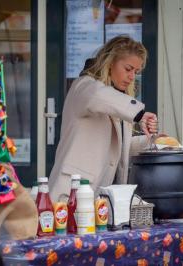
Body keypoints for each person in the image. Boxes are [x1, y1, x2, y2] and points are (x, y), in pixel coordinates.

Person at [49, 35, 158, 201]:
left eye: (136, 72)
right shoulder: (84, 86)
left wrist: (154, 141)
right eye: (128, 69)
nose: (131, 77)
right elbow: (97, 95)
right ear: (110, 62)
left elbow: (120, 149)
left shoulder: (119, 100)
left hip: (99, 199)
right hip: (70, 193)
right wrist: (141, 115)